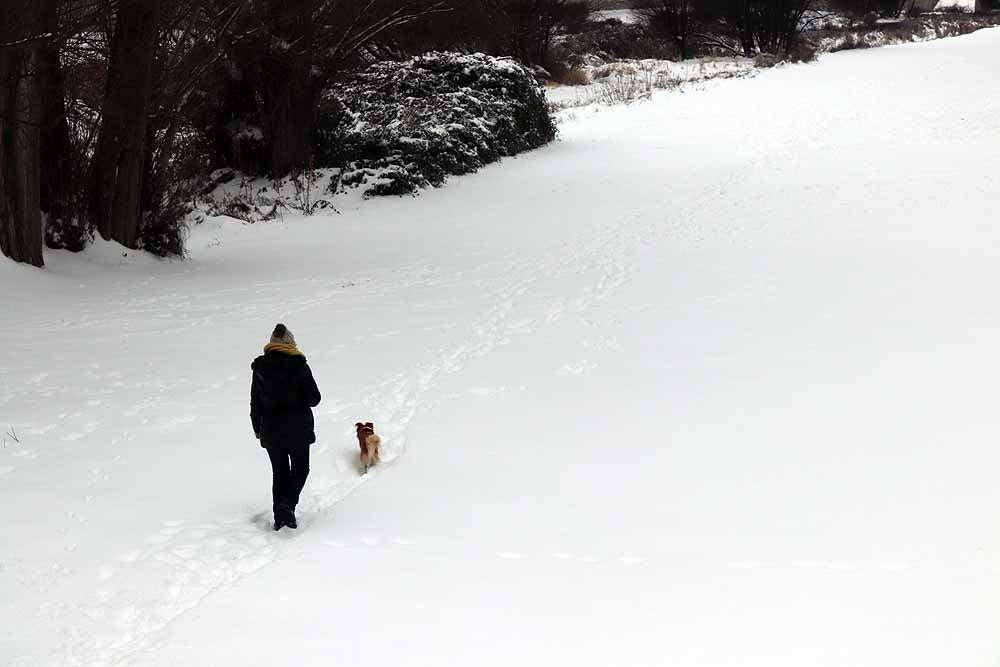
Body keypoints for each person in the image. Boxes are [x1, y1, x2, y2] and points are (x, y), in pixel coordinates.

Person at [250, 323, 322, 530]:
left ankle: (280, 516)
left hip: (270, 429)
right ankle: (287, 506)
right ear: (291, 342)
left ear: (272, 343)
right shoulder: (299, 365)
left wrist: (257, 428)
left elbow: (255, 401)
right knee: (301, 469)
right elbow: (314, 398)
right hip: (298, 428)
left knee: (279, 472)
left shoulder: (260, 368)